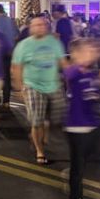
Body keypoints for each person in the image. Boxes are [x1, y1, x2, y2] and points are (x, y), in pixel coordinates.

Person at [12, 16, 67, 165]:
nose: (39, 27)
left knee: (57, 118)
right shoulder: (23, 45)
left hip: (53, 85)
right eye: (36, 25)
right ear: (30, 28)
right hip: (33, 85)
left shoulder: (54, 43)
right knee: (37, 122)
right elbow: (17, 67)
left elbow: (63, 63)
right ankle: (40, 151)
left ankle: (40, 131)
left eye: (42, 25)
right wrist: (19, 88)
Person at [64, 38, 100, 199]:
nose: (91, 54)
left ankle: (72, 177)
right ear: (76, 54)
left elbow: (95, 96)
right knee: (78, 168)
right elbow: (69, 73)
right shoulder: (74, 72)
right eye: (87, 51)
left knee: (87, 162)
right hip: (76, 127)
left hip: (92, 126)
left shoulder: (92, 74)